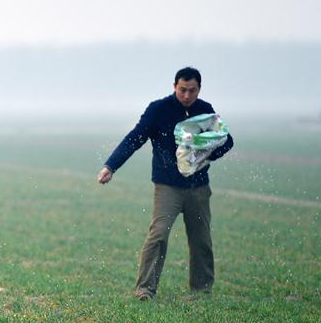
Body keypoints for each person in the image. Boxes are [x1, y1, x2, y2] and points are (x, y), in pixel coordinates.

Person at [97, 67, 234, 300]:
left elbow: (227, 141)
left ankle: (202, 290)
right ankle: (145, 289)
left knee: (201, 239)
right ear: (174, 86)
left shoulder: (205, 110)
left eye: (192, 90)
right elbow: (135, 138)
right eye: (182, 90)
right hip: (168, 187)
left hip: (198, 186)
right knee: (158, 235)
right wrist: (110, 166)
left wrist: (206, 154)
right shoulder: (158, 109)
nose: (187, 95)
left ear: (199, 89)